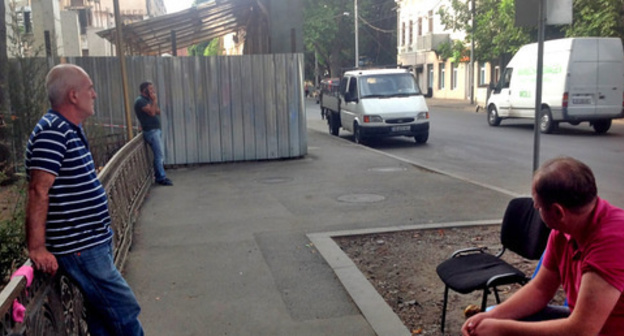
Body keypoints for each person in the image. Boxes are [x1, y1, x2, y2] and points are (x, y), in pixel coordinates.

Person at [25, 64, 144, 335]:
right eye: (90, 88)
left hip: (92, 242)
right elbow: (38, 190)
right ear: (73, 95)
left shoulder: (69, 128)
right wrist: (37, 247)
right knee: (124, 311)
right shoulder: (53, 130)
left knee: (104, 319)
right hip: (81, 247)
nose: (95, 94)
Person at [462, 157, 624, 336]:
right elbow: (540, 289)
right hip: (589, 326)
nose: (536, 210)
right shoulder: (563, 230)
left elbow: (582, 330)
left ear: (557, 211)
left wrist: (501, 329)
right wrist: (491, 316)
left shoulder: (612, 241)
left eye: (538, 206)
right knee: (498, 317)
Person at [134, 81, 173, 186]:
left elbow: (158, 111)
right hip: (151, 131)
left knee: (159, 154)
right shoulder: (140, 101)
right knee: (159, 155)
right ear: (144, 90)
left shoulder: (148, 100)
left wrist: (152, 102)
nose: (153, 91)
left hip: (156, 129)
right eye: (150, 89)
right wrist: (154, 100)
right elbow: (152, 112)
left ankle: (159, 175)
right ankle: (161, 177)